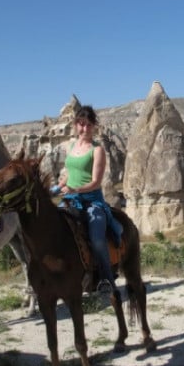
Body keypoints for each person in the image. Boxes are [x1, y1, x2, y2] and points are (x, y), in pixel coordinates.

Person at [56, 105, 122, 299]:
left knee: (97, 239)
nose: (84, 128)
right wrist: (57, 187)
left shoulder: (97, 150)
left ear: (94, 126)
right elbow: (70, 174)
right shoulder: (72, 146)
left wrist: (75, 189)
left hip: (92, 202)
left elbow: (95, 182)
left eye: (88, 125)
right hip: (70, 200)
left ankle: (106, 278)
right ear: (76, 125)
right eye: (81, 124)